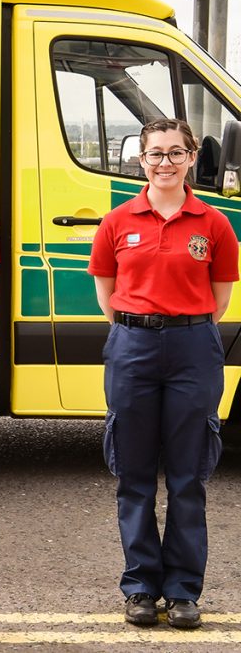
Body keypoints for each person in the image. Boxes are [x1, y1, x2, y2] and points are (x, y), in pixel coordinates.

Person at [88, 118, 237, 630]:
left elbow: (220, 296)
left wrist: (182, 326)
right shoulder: (117, 221)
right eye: (156, 153)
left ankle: (182, 590)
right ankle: (140, 587)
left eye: (176, 153)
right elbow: (106, 289)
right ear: (141, 159)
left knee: (187, 476)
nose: (165, 163)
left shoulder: (213, 223)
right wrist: (139, 326)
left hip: (194, 346)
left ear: (191, 159)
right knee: (133, 476)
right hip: (132, 345)